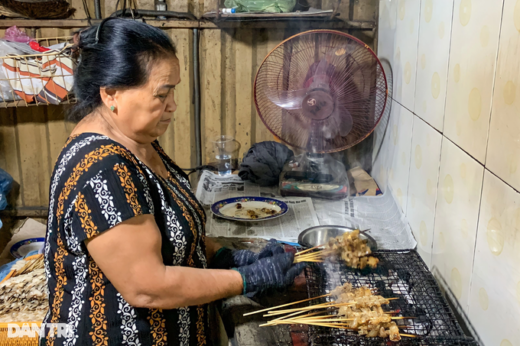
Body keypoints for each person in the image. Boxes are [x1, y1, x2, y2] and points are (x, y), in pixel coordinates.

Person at [43, 18, 305, 346]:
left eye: (174, 91)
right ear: (112, 93)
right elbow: (147, 286)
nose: (173, 105)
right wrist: (245, 278)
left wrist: (226, 257)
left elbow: (173, 230)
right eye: (162, 94)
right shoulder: (102, 169)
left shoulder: (137, 140)